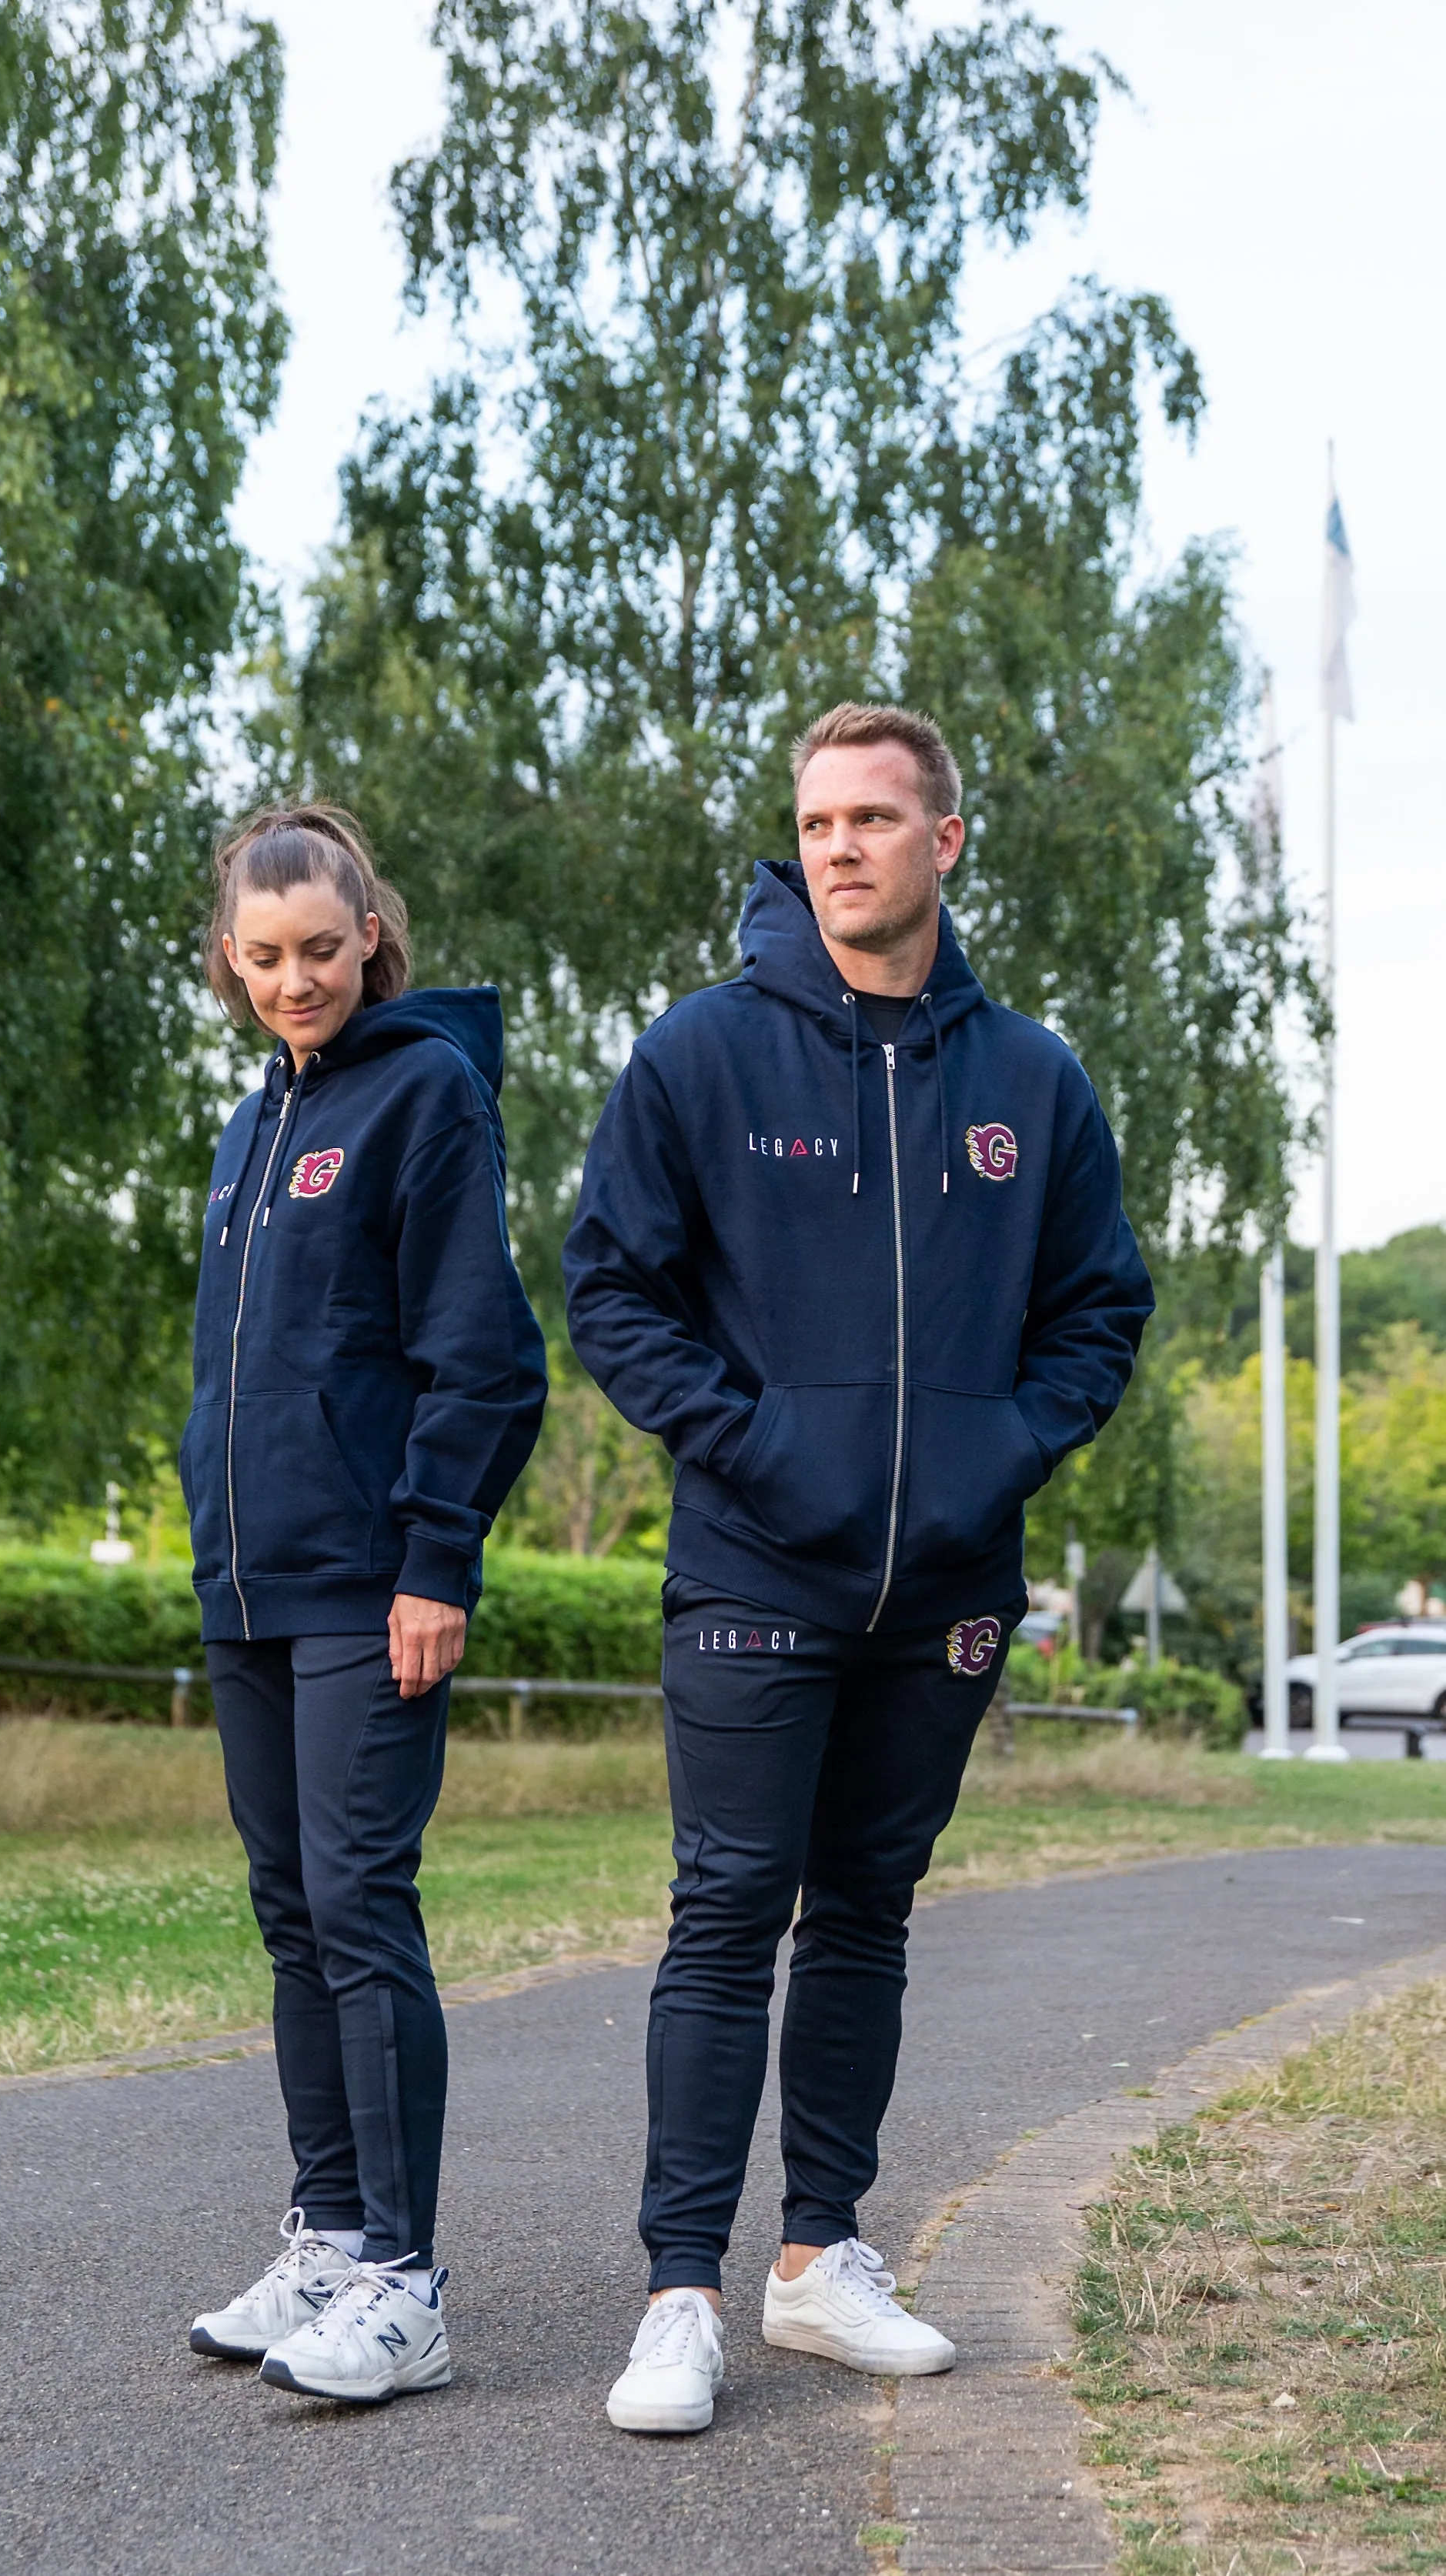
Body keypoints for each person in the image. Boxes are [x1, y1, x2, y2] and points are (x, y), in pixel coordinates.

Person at [563, 703, 1154, 2434]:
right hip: (756, 1563)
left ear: (943, 841)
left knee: (867, 1916)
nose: (837, 848)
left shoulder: (1028, 1080)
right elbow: (612, 1291)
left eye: (873, 820)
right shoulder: (702, 1056)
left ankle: (819, 2262)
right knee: (725, 1913)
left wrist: (993, 1454)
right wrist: (758, 1443)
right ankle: (678, 2296)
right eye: (815, 821)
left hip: (946, 1589)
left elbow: (1097, 1309)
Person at [182, 803, 546, 2404]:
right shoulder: (252, 1122)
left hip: (366, 1585)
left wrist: (433, 1560)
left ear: (370, 934)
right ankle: (326, 2232)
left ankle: (403, 2277)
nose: (293, 980)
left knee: (358, 1906)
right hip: (250, 1584)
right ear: (231, 958)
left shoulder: (427, 1097)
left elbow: (484, 1360)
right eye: (262, 957)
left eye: (320, 950)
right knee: (289, 1915)